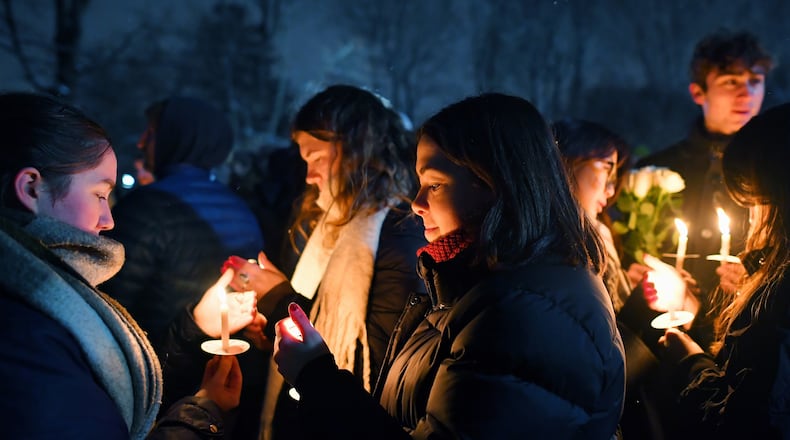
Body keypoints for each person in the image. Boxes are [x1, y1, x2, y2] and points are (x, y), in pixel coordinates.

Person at [269, 93, 626, 439]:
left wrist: (317, 378)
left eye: (435, 185)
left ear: (494, 184)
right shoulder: (471, 286)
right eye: (421, 184)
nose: (417, 203)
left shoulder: (520, 315)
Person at [0, 91, 252, 439]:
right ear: (30, 188)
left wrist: (194, 327)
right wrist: (201, 414)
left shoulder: (47, 305)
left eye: (107, 196)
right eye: (100, 195)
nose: (109, 220)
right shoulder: (28, 333)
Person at [222, 84, 426, 439]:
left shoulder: (397, 235)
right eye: (304, 161)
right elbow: (315, 316)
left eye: (317, 158)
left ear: (356, 151)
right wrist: (273, 325)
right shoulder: (327, 225)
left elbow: (376, 361)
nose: (309, 176)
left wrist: (278, 299)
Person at [99, 97, 267, 438]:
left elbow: (112, 317)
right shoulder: (240, 208)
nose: (142, 142)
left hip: (159, 391)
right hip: (226, 387)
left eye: (152, 132)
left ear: (179, 137)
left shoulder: (146, 208)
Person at [658, 102, 790, 439]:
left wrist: (689, 362)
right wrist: (704, 312)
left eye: (756, 204)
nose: (753, 220)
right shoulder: (772, 279)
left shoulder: (780, 295)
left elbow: (743, 422)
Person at [635, 30, 774, 338]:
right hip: (663, 334)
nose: (745, 93)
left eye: (755, 80)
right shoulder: (658, 170)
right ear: (699, 92)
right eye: (730, 81)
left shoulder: (776, 172)